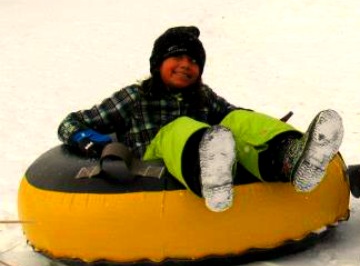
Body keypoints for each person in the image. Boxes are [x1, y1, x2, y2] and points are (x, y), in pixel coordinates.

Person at [58, 25, 344, 212]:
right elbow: (71, 123)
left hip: (212, 156)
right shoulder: (134, 97)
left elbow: (237, 118)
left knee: (237, 119)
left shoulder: (203, 96)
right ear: (157, 64)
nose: (186, 65)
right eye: (177, 58)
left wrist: (257, 128)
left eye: (194, 61)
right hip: (156, 165)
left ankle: (288, 157)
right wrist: (90, 142)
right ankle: (208, 173)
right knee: (179, 128)